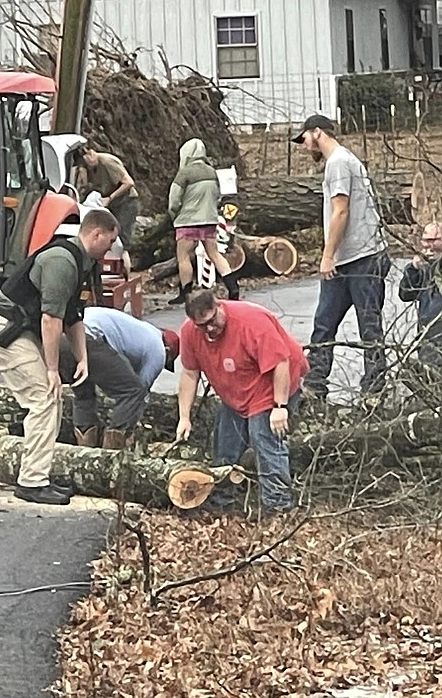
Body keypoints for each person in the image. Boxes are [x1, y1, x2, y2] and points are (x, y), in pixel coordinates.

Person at [0, 210, 120, 506]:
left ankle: (38, 475)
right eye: (109, 241)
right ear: (96, 234)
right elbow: (50, 319)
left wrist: (82, 358)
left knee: (51, 401)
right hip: (7, 331)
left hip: (25, 332)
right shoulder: (61, 261)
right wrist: (52, 369)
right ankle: (31, 482)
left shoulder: (82, 263)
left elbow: (73, 318)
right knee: (44, 398)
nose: (110, 247)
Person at [175, 291, 308, 513]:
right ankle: (223, 501)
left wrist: (279, 407)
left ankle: (278, 506)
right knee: (226, 441)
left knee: (263, 438)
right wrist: (184, 417)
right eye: (202, 325)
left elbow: (281, 363)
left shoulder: (251, 323)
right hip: (236, 391)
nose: (209, 329)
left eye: (211, 321)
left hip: (272, 383)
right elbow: (190, 373)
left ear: (219, 305)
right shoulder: (190, 333)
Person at [292, 114, 391, 399]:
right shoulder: (341, 161)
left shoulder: (338, 163)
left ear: (318, 133)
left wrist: (327, 255)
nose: (303, 146)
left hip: (362, 257)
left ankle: (374, 389)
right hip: (347, 258)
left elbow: (341, 211)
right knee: (324, 322)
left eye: (305, 139)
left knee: (368, 324)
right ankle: (315, 384)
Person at [60, 306, 180, 449]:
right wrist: (132, 419)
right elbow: (141, 388)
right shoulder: (159, 349)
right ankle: (111, 454)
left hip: (64, 338)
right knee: (132, 392)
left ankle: (85, 450)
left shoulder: (140, 330)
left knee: (84, 396)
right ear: (168, 350)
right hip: (87, 338)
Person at [167, 138, 239, 305]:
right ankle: (233, 287)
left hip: (187, 221)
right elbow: (217, 195)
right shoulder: (212, 172)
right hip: (209, 220)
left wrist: (174, 216)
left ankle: (185, 293)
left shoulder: (185, 173)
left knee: (183, 256)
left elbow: (174, 200)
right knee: (214, 254)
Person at [81, 148, 139, 278]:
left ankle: (125, 276)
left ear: (90, 154)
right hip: (110, 205)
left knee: (122, 242)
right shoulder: (91, 169)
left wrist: (110, 198)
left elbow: (128, 182)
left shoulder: (107, 162)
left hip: (126, 203)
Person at [399, 222, 442, 370]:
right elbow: (405, 294)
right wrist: (413, 269)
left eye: (434, 240)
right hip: (426, 336)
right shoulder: (422, 266)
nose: (429, 246)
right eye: (426, 240)